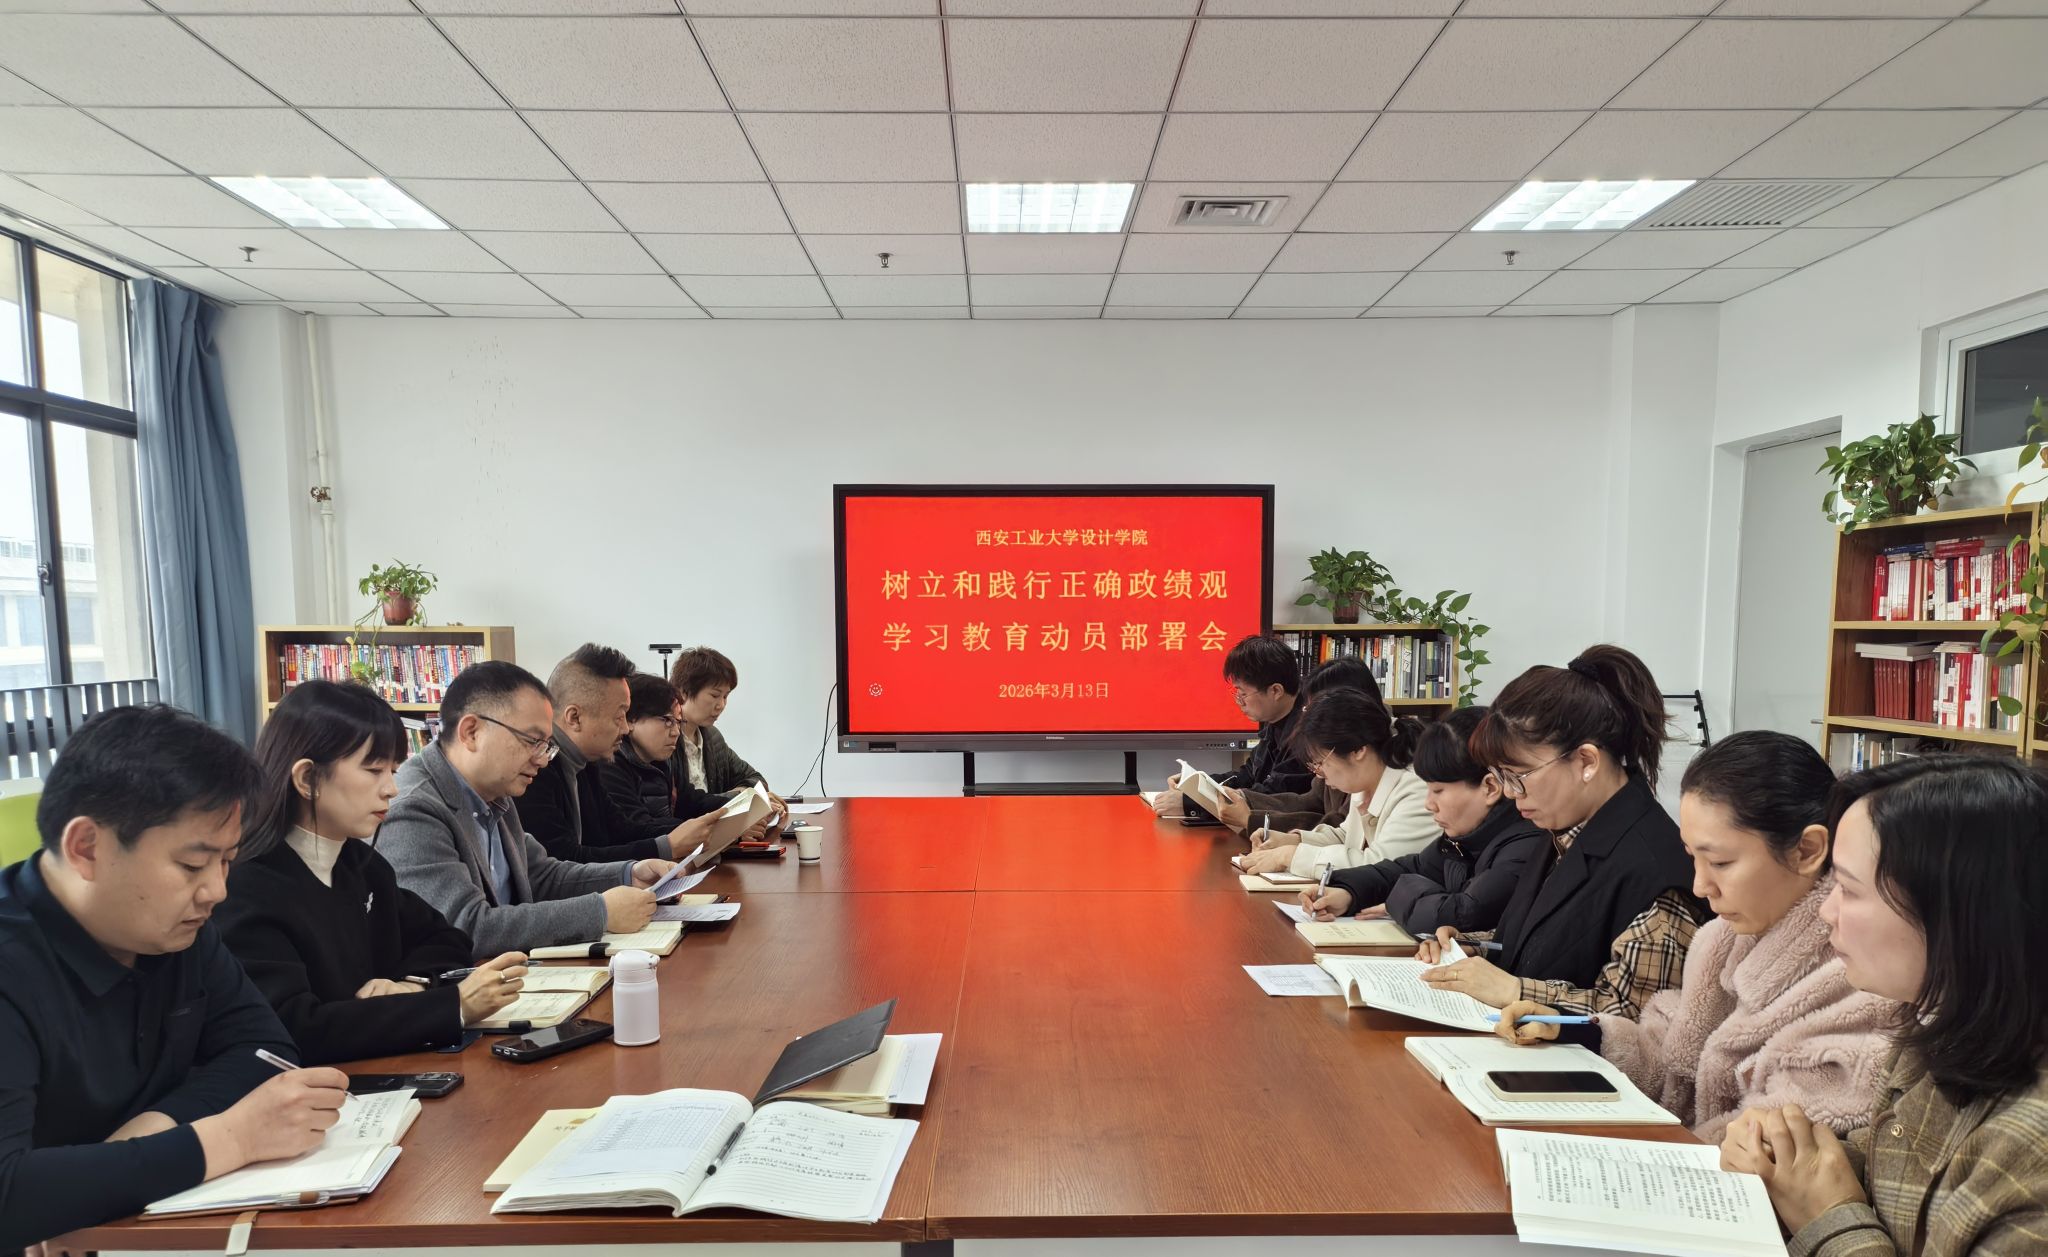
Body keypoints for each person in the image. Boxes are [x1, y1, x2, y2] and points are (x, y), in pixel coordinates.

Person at [0, 705, 351, 1252]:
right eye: (192, 865)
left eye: (226, 861)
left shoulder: (175, 929)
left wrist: (152, 1131)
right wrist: (229, 1137)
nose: (216, 892)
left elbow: (265, 1050)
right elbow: (9, 1195)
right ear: (87, 848)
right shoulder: (13, 965)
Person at [1494, 731, 1893, 1143]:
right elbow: (1673, 1063)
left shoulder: (1864, 980)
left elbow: (1761, 1145)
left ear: (1807, 850)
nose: (1700, 886)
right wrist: (1579, 1031)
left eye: (1720, 862)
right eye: (1692, 858)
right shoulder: (1719, 940)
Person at [1721, 756, 2048, 1256]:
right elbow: (1894, 1173)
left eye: (1850, 890)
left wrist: (1827, 1217)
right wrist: (1789, 1160)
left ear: (1956, 913)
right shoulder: (1940, 1020)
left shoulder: (2032, 1160)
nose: (1826, 911)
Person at [216, 681, 531, 1066]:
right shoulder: (246, 886)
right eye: (373, 770)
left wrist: (411, 985)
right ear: (307, 779)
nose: (392, 789)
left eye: (393, 770)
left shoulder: (360, 864)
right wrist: (453, 1006)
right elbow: (294, 1029)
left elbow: (445, 937)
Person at [1415, 645, 1710, 1021]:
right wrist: (1472, 949)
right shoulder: (1562, 831)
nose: (1510, 793)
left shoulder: (1653, 872)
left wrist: (1515, 991)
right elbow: (1550, 943)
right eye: (1503, 777)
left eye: (1518, 776)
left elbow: (1640, 1020)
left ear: (1586, 761)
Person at [378, 660, 674, 959]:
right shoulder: (413, 809)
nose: (542, 760)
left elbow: (542, 875)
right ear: (471, 732)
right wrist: (600, 912)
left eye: (546, 745)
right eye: (532, 741)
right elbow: (463, 928)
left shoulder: (495, 793)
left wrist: (628, 874)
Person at [1300, 704, 1549, 936]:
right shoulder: (1464, 838)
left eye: (1438, 791)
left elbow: (1465, 913)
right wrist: (1349, 892)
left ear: (1490, 787)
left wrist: (1397, 899)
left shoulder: (1526, 841)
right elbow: (1410, 868)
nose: (1428, 804)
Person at [519, 644, 726, 864]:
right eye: (619, 717)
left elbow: (623, 829)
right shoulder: (536, 770)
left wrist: (698, 831)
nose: (626, 729)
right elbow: (564, 861)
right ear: (575, 718)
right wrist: (667, 846)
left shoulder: (586, 764)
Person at [1235, 686, 1436, 878]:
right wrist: (1293, 840)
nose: (1319, 774)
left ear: (1358, 750)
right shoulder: (1366, 782)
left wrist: (1290, 856)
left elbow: (1379, 866)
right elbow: (1345, 837)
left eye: (1320, 762)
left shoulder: (1416, 791)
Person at [1153, 635, 1313, 819]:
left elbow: (1272, 796)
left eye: (1243, 694)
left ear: (1275, 691)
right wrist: (1197, 784)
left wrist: (1192, 803)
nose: (1239, 702)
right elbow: (1248, 776)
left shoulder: (1308, 733)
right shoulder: (1276, 720)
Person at [1217, 656, 1381, 836]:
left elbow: (1339, 826)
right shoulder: (1328, 742)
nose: (1308, 716)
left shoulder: (1367, 754)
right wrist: (1244, 798)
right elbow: (1310, 801)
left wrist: (1251, 818)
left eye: (1314, 709)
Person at [600, 672, 734, 840]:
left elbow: (694, 801)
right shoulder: (610, 765)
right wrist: (719, 828)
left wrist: (743, 807)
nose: (676, 732)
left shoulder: (664, 761)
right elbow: (640, 827)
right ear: (631, 720)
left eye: (678, 722)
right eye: (667, 721)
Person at [670, 647, 785, 819]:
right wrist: (738, 799)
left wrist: (741, 795)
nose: (721, 705)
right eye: (715, 695)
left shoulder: (711, 737)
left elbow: (755, 779)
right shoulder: (665, 740)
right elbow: (684, 805)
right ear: (683, 692)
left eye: (725, 696)